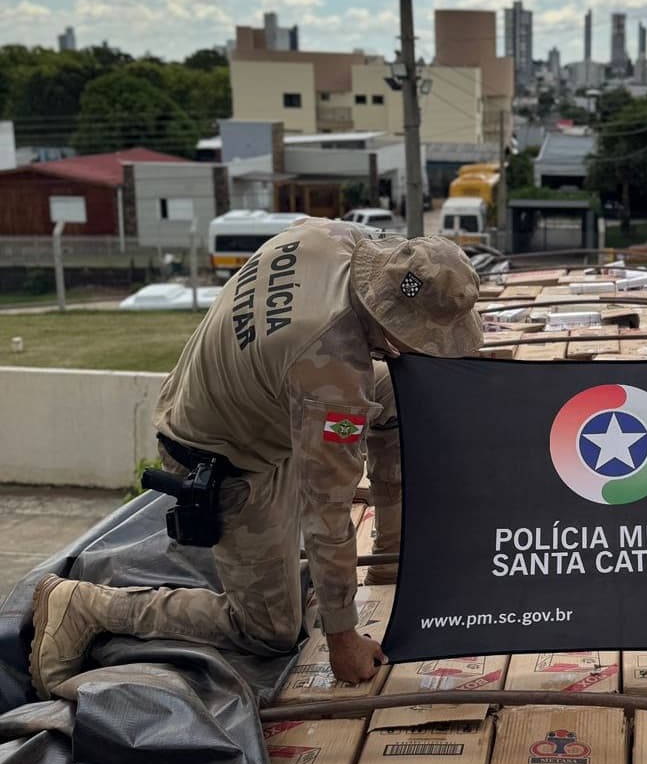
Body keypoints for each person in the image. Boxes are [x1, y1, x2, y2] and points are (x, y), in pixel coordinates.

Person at [27, 217, 483, 699]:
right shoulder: (332, 376)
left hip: (232, 394)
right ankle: (88, 605)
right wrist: (343, 634)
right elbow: (326, 514)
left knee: (400, 394)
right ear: (391, 320)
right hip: (224, 456)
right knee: (269, 630)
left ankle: (389, 555)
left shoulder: (330, 236)